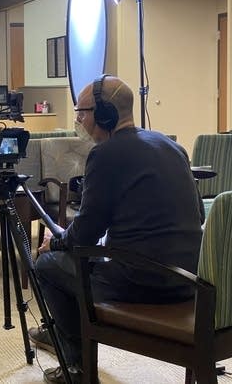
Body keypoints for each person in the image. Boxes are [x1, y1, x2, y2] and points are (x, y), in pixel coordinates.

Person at [29, 76, 204, 383]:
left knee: (47, 265)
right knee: (75, 260)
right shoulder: (172, 146)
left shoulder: (105, 154)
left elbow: (84, 236)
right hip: (189, 280)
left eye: (82, 112)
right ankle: (55, 330)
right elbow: (196, 213)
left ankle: (77, 368)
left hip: (141, 282)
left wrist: (53, 245)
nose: (80, 121)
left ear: (105, 113)